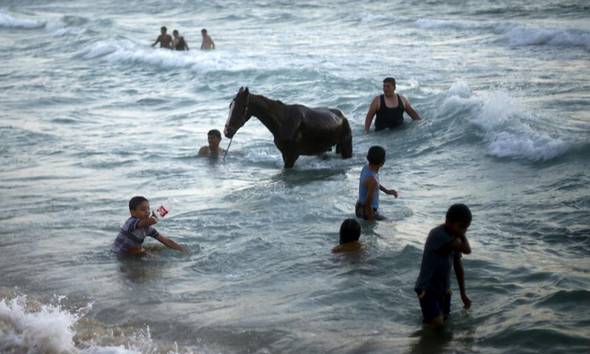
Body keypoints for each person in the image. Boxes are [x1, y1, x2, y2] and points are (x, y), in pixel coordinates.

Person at [414, 204, 473, 328]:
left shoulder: (454, 238)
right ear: (448, 222)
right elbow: (467, 250)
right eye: (461, 227)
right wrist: (462, 235)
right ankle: (424, 343)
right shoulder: (438, 235)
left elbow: (458, 266)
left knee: (444, 322)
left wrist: (463, 294)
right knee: (437, 323)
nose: (463, 231)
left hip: (443, 289)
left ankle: (428, 339)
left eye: (466, 228)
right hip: (427, 288)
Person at [112, 196, 185, 255]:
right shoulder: (131, 222)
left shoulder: (148, 229)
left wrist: (180, 249)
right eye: (143, 210)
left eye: (148, 209)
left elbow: (165, 240)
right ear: (133, 212)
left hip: (133, 250)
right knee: (147, 254)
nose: (147, 212)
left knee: (158, 248)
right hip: (120, 253)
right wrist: (159, 214)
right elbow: (149, 221)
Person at [355, 146, 398, 221]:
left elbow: (373, 185)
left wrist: (387, 191)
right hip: (366, 211)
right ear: (382, 162)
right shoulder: (372, 181)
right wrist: (371, 223)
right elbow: (368, 204)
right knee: (391, 222)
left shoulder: (366, 168)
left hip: (359, 207)